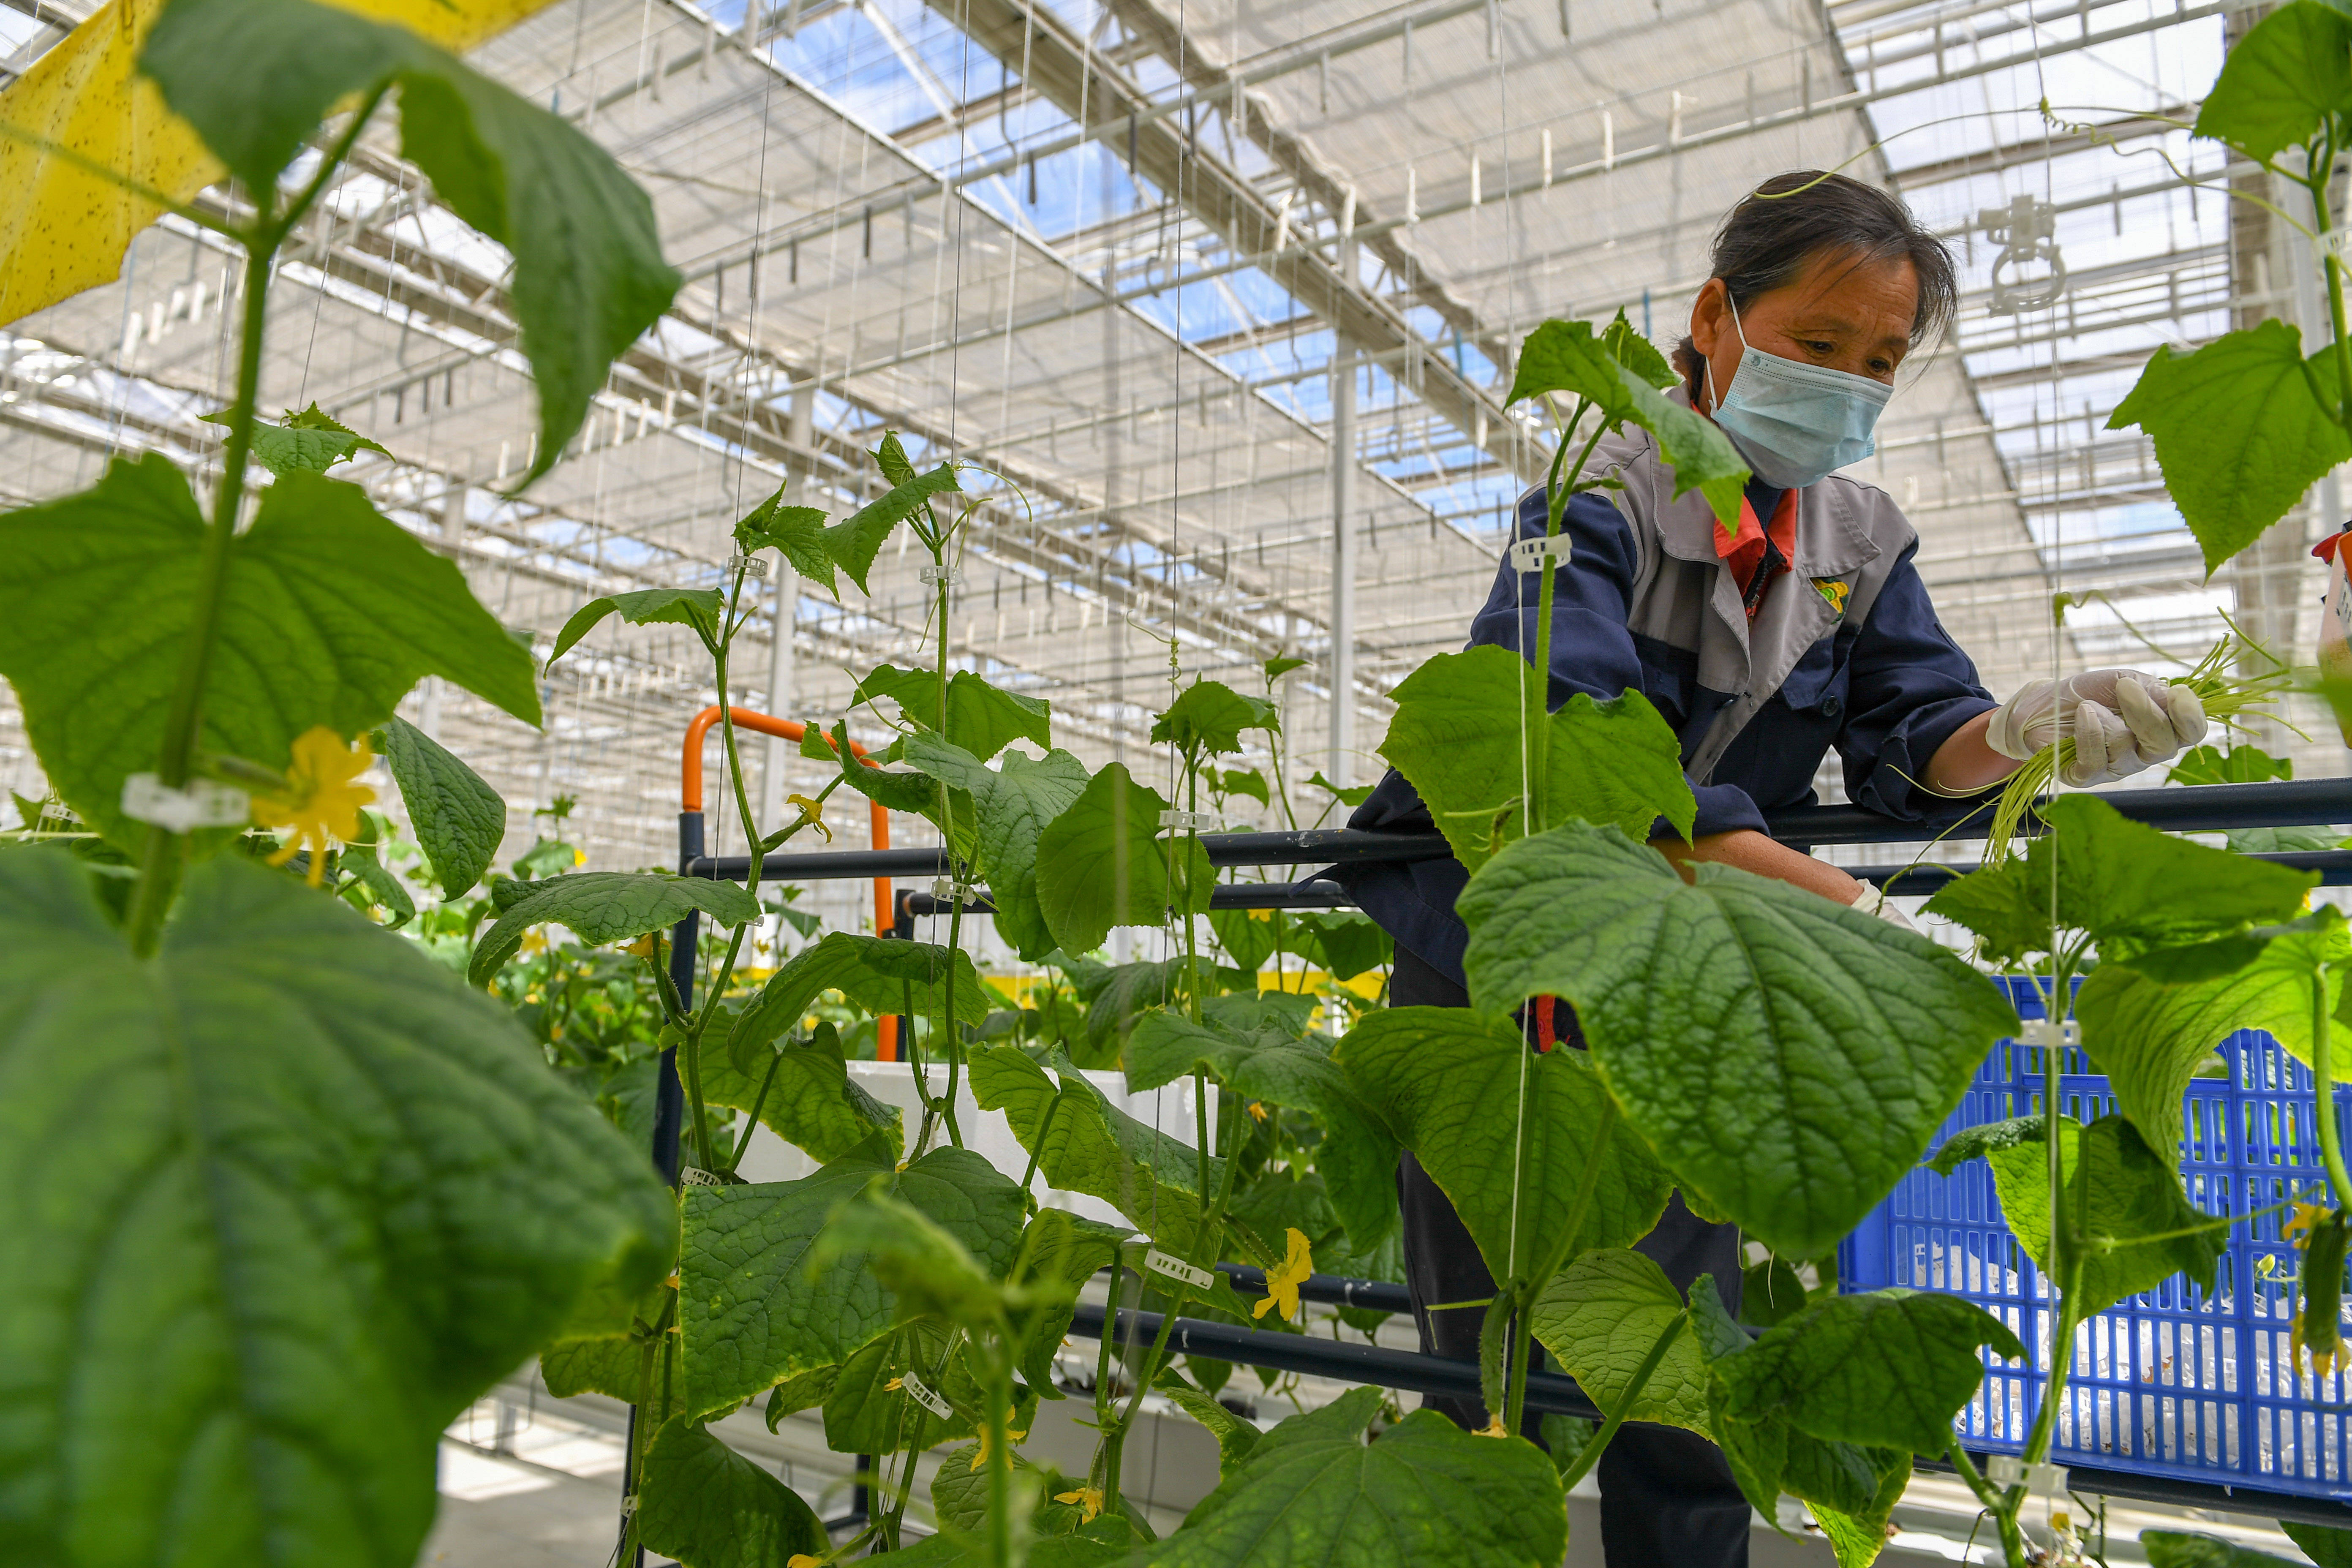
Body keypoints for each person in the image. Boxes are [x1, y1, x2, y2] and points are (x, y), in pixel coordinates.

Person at [1330, 171, 2209, 1566]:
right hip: (1497, 962)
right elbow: (1572, 734)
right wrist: (1847, 918)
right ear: (1714, 319)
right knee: (1481, 1335)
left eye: (1880, 362)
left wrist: (2025, 732)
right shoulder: (1604, 482)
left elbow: (1916, 735)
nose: (1847, 385)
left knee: (1685, 1349)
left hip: (1699, 976)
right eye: (1816, 343)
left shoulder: (1861, 542)